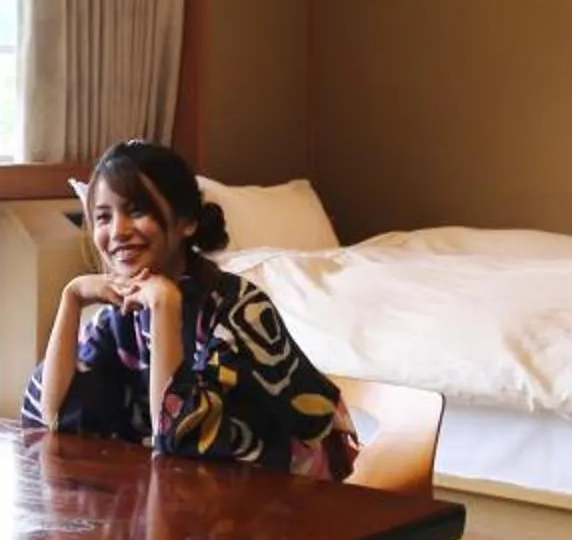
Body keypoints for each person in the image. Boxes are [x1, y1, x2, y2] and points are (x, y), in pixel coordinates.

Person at [23, 140, 359, 478]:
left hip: (289, 492)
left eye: (137, 210)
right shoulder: (119, 316)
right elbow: (53, 417)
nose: (118, 231)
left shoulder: (242, 311)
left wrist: (165, 304)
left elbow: (184, 437)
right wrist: (71, 297)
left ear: (186, 221)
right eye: (103, 217)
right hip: (183, 491)